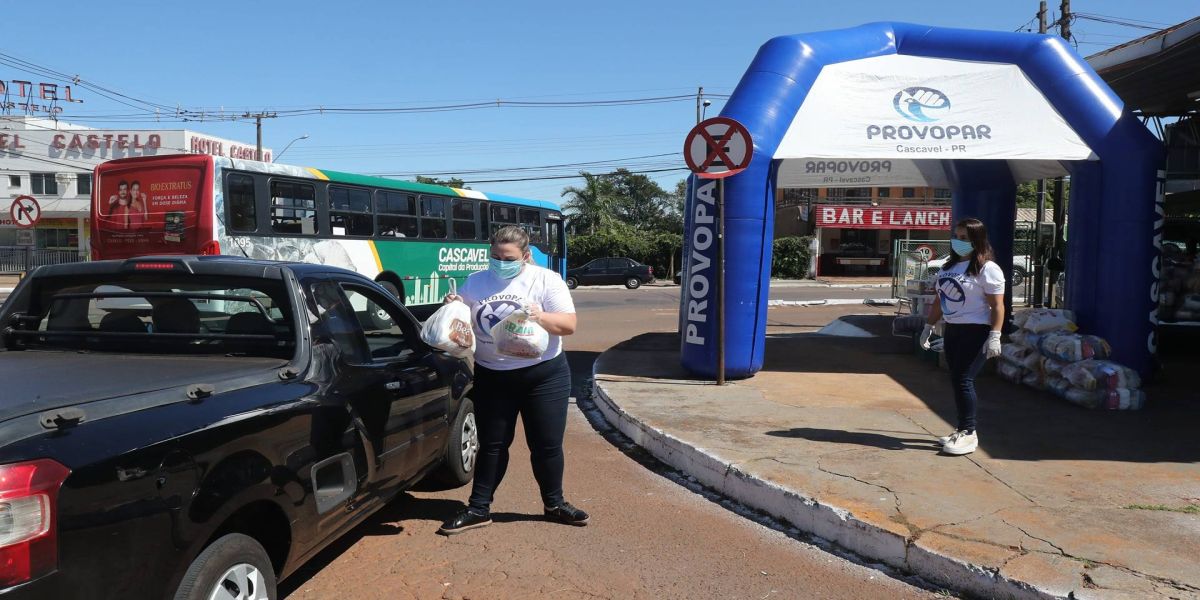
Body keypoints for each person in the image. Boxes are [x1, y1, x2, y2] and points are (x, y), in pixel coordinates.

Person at [438, 225, 587, 535]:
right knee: (492, 445)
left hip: (544, 376)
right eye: (495, 256)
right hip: (493, 376)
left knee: (546, 445)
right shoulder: (476, 282)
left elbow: (568, 325)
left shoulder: (545, 280)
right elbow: (463, 318)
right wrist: (454, 304)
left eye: (508, 257)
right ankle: (478, 508)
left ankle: (555, 504)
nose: (500, 262)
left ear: (525, 256)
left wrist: (540, 317)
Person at [919, 218, 1005, 456]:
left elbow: (997, 306)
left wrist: (995, 335)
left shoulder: (988, 269)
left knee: (964, 379)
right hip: (953, 329)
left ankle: (969, 432)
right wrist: (928, 326)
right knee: (956, 379)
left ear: (977, 240)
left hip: (976, 331)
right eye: (956, 236)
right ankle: (962, 427)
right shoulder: (948, 267)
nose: (958, 241)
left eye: (965, 238)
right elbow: (939, 300)